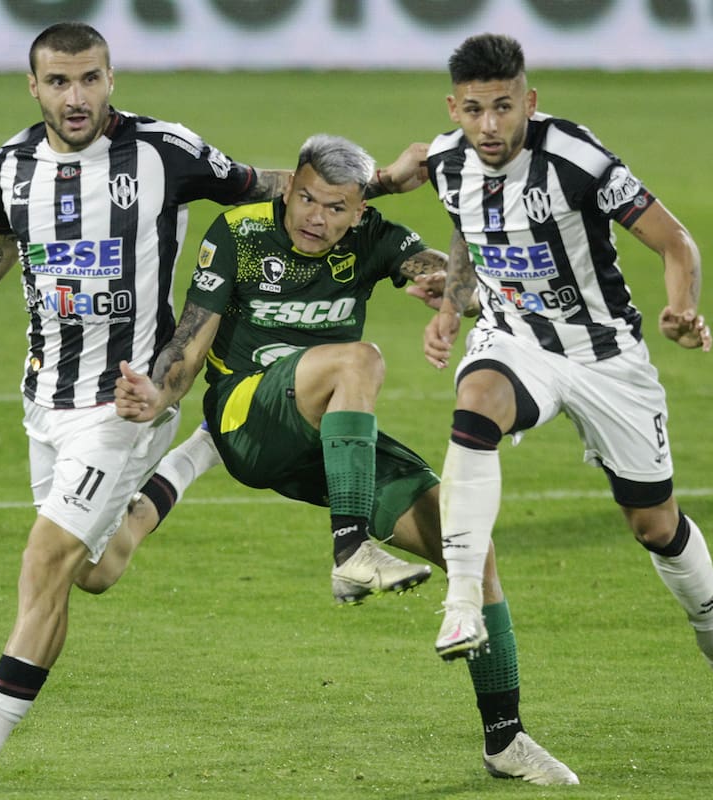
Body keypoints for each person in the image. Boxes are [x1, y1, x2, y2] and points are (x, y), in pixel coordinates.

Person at [0, 23, 427, 795]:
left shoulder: (163, 150)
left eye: (92, 79)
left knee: (44, 561)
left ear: (112, 78)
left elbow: (277, 186)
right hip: (45, 398)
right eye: (61, 82)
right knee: (90, 573)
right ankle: (196, 456)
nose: (78, 97)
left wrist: (387, 184)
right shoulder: (12, 165)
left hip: (126, 400)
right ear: (32, 87)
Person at [113, 133, 578, 785]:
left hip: (328, 435)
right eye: (305, 197)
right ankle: (351, 550)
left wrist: (452, 288)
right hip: (248, 416)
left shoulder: (374, 238)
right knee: (361, 358)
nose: (314, 217)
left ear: (359, 212)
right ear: (292, 184)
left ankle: (505, 739)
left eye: (335, 208)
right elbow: (189, 345)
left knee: (470, 546)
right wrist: (156, 393)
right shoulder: (239, 234)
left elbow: (452, 283)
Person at [421, 33, 713, 734]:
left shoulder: (576, 159)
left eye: (503, 106)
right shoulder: (442, 160)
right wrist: (449, 304)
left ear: (530, 100)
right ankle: (462, 600)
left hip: (606, 356)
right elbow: (451, 220)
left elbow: (674, 241)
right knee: (477, 402)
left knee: (656, 526)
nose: (490, 125)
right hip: (517, 338)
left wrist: (682, 308)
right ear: (454, 108)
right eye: (474, 109)